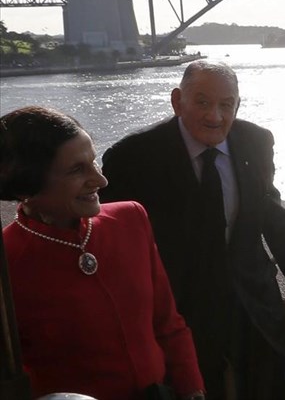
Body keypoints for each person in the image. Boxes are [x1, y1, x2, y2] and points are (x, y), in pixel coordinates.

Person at [99, 60, 285, 400]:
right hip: (181, 304)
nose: (215, 116)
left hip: (251, 295)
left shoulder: (255, 140)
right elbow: (114, 235)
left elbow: (268, 208)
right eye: (202, 102)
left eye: (227, 105)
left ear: (238, 105)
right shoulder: (133, 155)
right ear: (177, 100)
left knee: (270, 383)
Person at [0, 106, 205, 399]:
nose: (100, 180)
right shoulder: (6, 263)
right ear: (26, 186)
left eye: (94, 162)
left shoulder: (131, 219)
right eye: (76, 169)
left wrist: (192, 389)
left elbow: (168, 323)